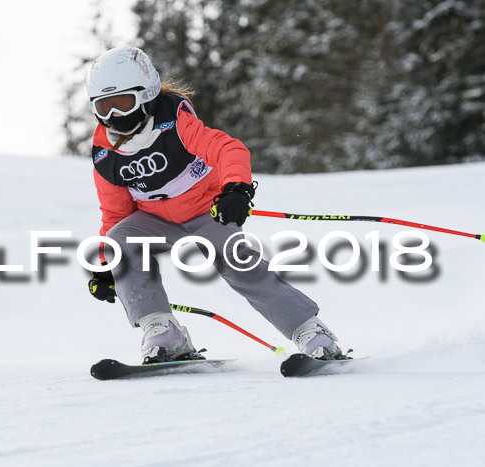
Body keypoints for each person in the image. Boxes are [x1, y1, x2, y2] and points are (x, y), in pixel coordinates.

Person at [85, 46, 344, 363]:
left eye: (122, 104)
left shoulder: (174, 123)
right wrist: (105, 265)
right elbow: (115, 214)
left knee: (239, 263)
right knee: (122, 239)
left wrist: (236, 189)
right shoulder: (105, 154)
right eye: (103, 107)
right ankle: (163, 331)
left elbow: (227, 149)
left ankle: (312, 333)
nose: (114, 116)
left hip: (207, 213)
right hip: (156, 222)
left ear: (147, 93)